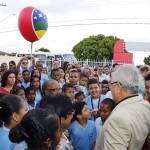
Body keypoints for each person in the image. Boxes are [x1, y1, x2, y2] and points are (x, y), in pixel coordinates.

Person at [95, 64, 150, 150]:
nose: (110, 88)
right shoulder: (146, 106)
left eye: (111, 85)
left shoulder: (117, 119)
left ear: (117, 87)